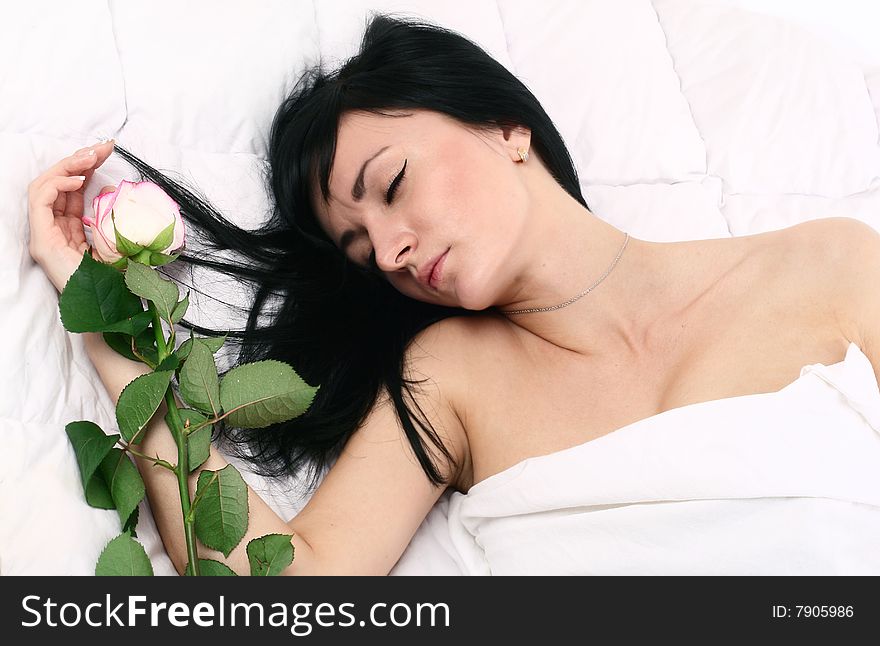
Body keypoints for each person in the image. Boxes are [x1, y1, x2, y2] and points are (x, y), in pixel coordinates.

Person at [26, 14, 880, 575]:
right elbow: (278, 597)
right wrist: (109, 323)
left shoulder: (827, 265)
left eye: (392, 184)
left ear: (505, 126)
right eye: (359, 248)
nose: (390, 248)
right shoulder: (450, 379)